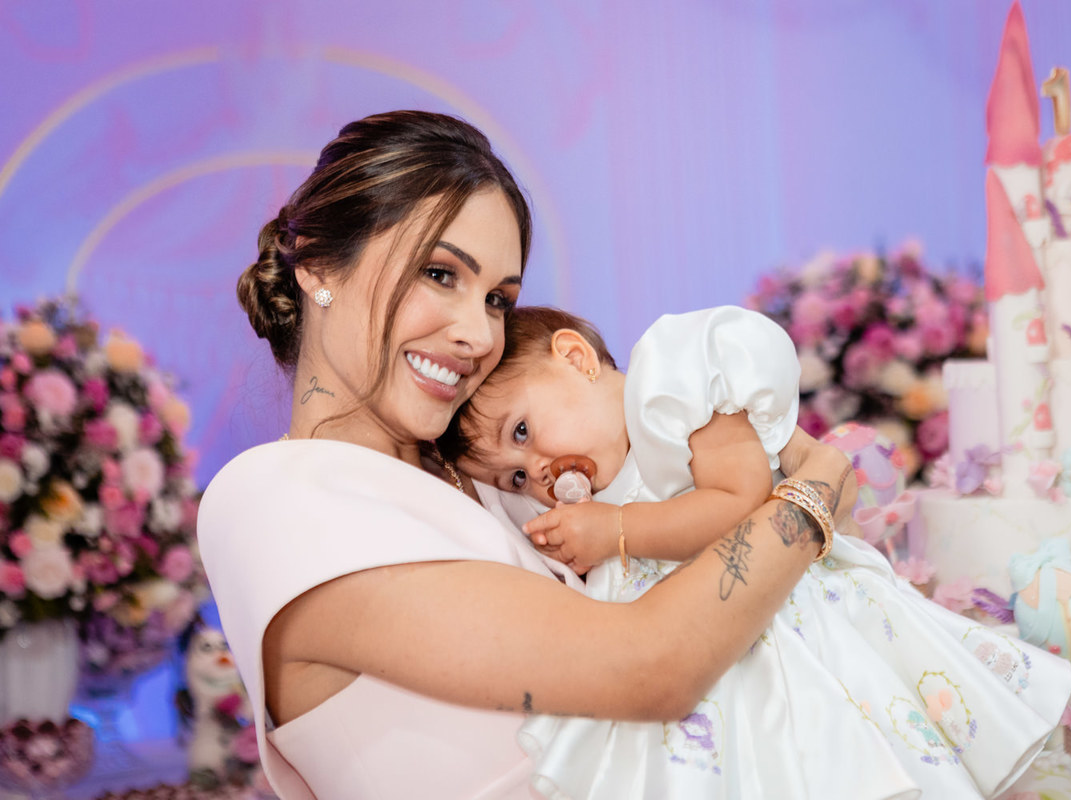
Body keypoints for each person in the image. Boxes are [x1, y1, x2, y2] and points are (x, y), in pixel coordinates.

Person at [199, 110, 868, 800]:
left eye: (497, 299)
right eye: (439, 273)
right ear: (317, 263)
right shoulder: (271, 498)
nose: (477, 333)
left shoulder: (496, 474)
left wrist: (745, 450)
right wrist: (809, 497)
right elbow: (650, 667)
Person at [444, 303, 1071, 799]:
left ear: (577, 358)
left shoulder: (671, 394)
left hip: (788, 625)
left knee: (838, 756)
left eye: (522, 431)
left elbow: (740, 499)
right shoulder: (593, 502)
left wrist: (616, 532)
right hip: (699, 673)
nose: (536, 470)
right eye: (515, 477)